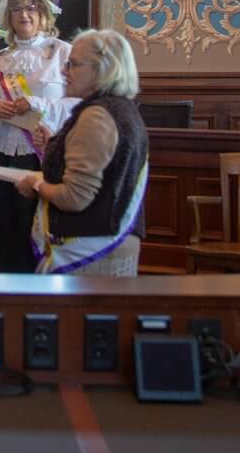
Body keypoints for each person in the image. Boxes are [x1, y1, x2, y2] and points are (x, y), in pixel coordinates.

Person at [12, 29, 149, 276]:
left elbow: (74, 198)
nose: (64, 71)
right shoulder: (122, 109)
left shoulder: (97, 116)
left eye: (73, 64)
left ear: (103, 70)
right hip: (107, 248)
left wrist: (35, 183)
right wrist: (53, 145)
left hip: (90, 256)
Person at [0, 0, 77, 273]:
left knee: (36, 226)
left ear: (44, 14)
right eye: (17, 9)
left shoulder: (63, 54)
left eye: (31, 7)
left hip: (44, 155)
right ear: (8, 18)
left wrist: (34, 103)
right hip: (7, 154)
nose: (24, 15)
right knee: (5, 225)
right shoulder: (0, 59)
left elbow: (76, 105)